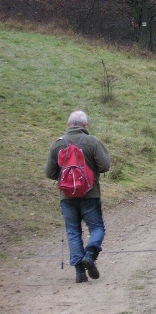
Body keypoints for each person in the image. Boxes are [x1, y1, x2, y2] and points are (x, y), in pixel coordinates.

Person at [44, 110, 111, 283]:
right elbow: (105, 165)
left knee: (73, 231)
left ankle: (79, 272)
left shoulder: (57, 144)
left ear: (68, 125)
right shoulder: (92, 142)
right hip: (90, 193)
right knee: (97, 228)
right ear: (85, 126)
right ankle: (90, 254)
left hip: (67, 196)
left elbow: (49, 172)